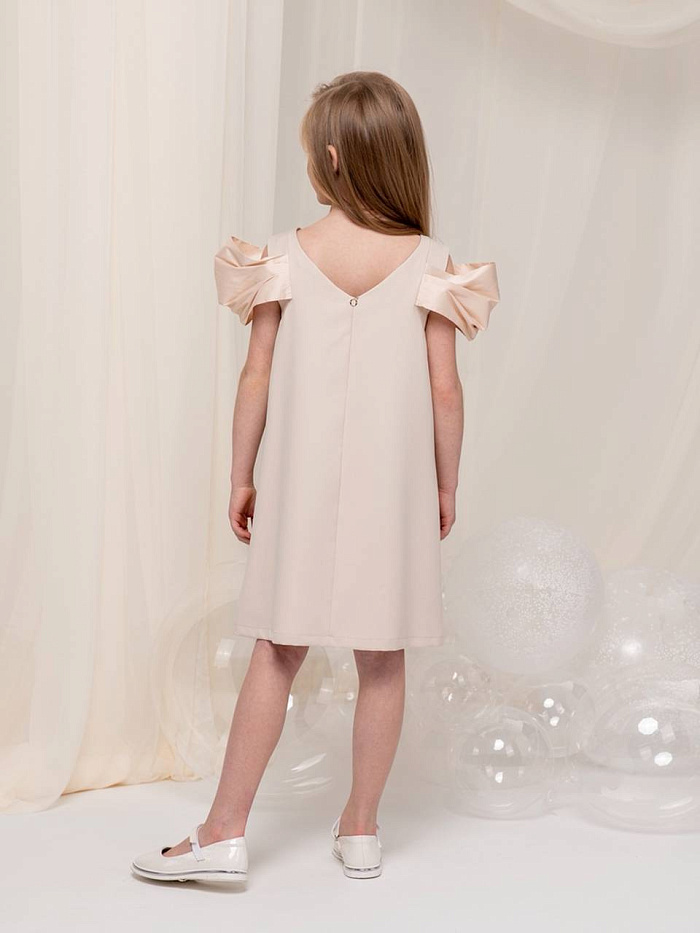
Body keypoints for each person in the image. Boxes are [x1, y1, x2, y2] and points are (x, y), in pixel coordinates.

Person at [131, 70, 500, 886]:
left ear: (331, 157)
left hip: (298, 485)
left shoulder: (282, 257)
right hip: (393, 487)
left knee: (277, 649)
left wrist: (240, 473)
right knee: (383, 656)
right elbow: (445, 390)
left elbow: (256, 376)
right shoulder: (433, 263)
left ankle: (223, 831)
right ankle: (361, 827)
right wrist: (445, 484)